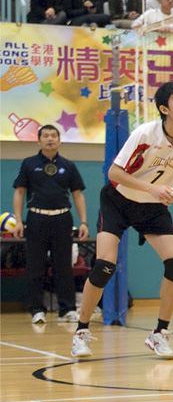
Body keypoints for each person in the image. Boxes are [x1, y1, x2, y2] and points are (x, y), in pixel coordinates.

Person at [71, 82, 173, 359]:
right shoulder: (145, 133)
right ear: (164, 109)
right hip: (118, 201)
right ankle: (81, 332)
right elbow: (114, 173)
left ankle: (159, 334)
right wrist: (152, 189)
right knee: (104, 266)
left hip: (152, 208)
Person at [11, 124, 89, 324]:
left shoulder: (68, 165)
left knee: (63, 265)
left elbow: (78, 194)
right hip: (36, 218)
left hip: (62, 219)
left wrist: (83, 222)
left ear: (59, 141)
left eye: (53, 135)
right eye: (45, 136)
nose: (50, 139)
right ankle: (37, 310)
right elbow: (19, 192)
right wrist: (18, 220)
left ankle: (67, 309)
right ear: (39, 141)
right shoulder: (28, 164)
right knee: (35, 265)